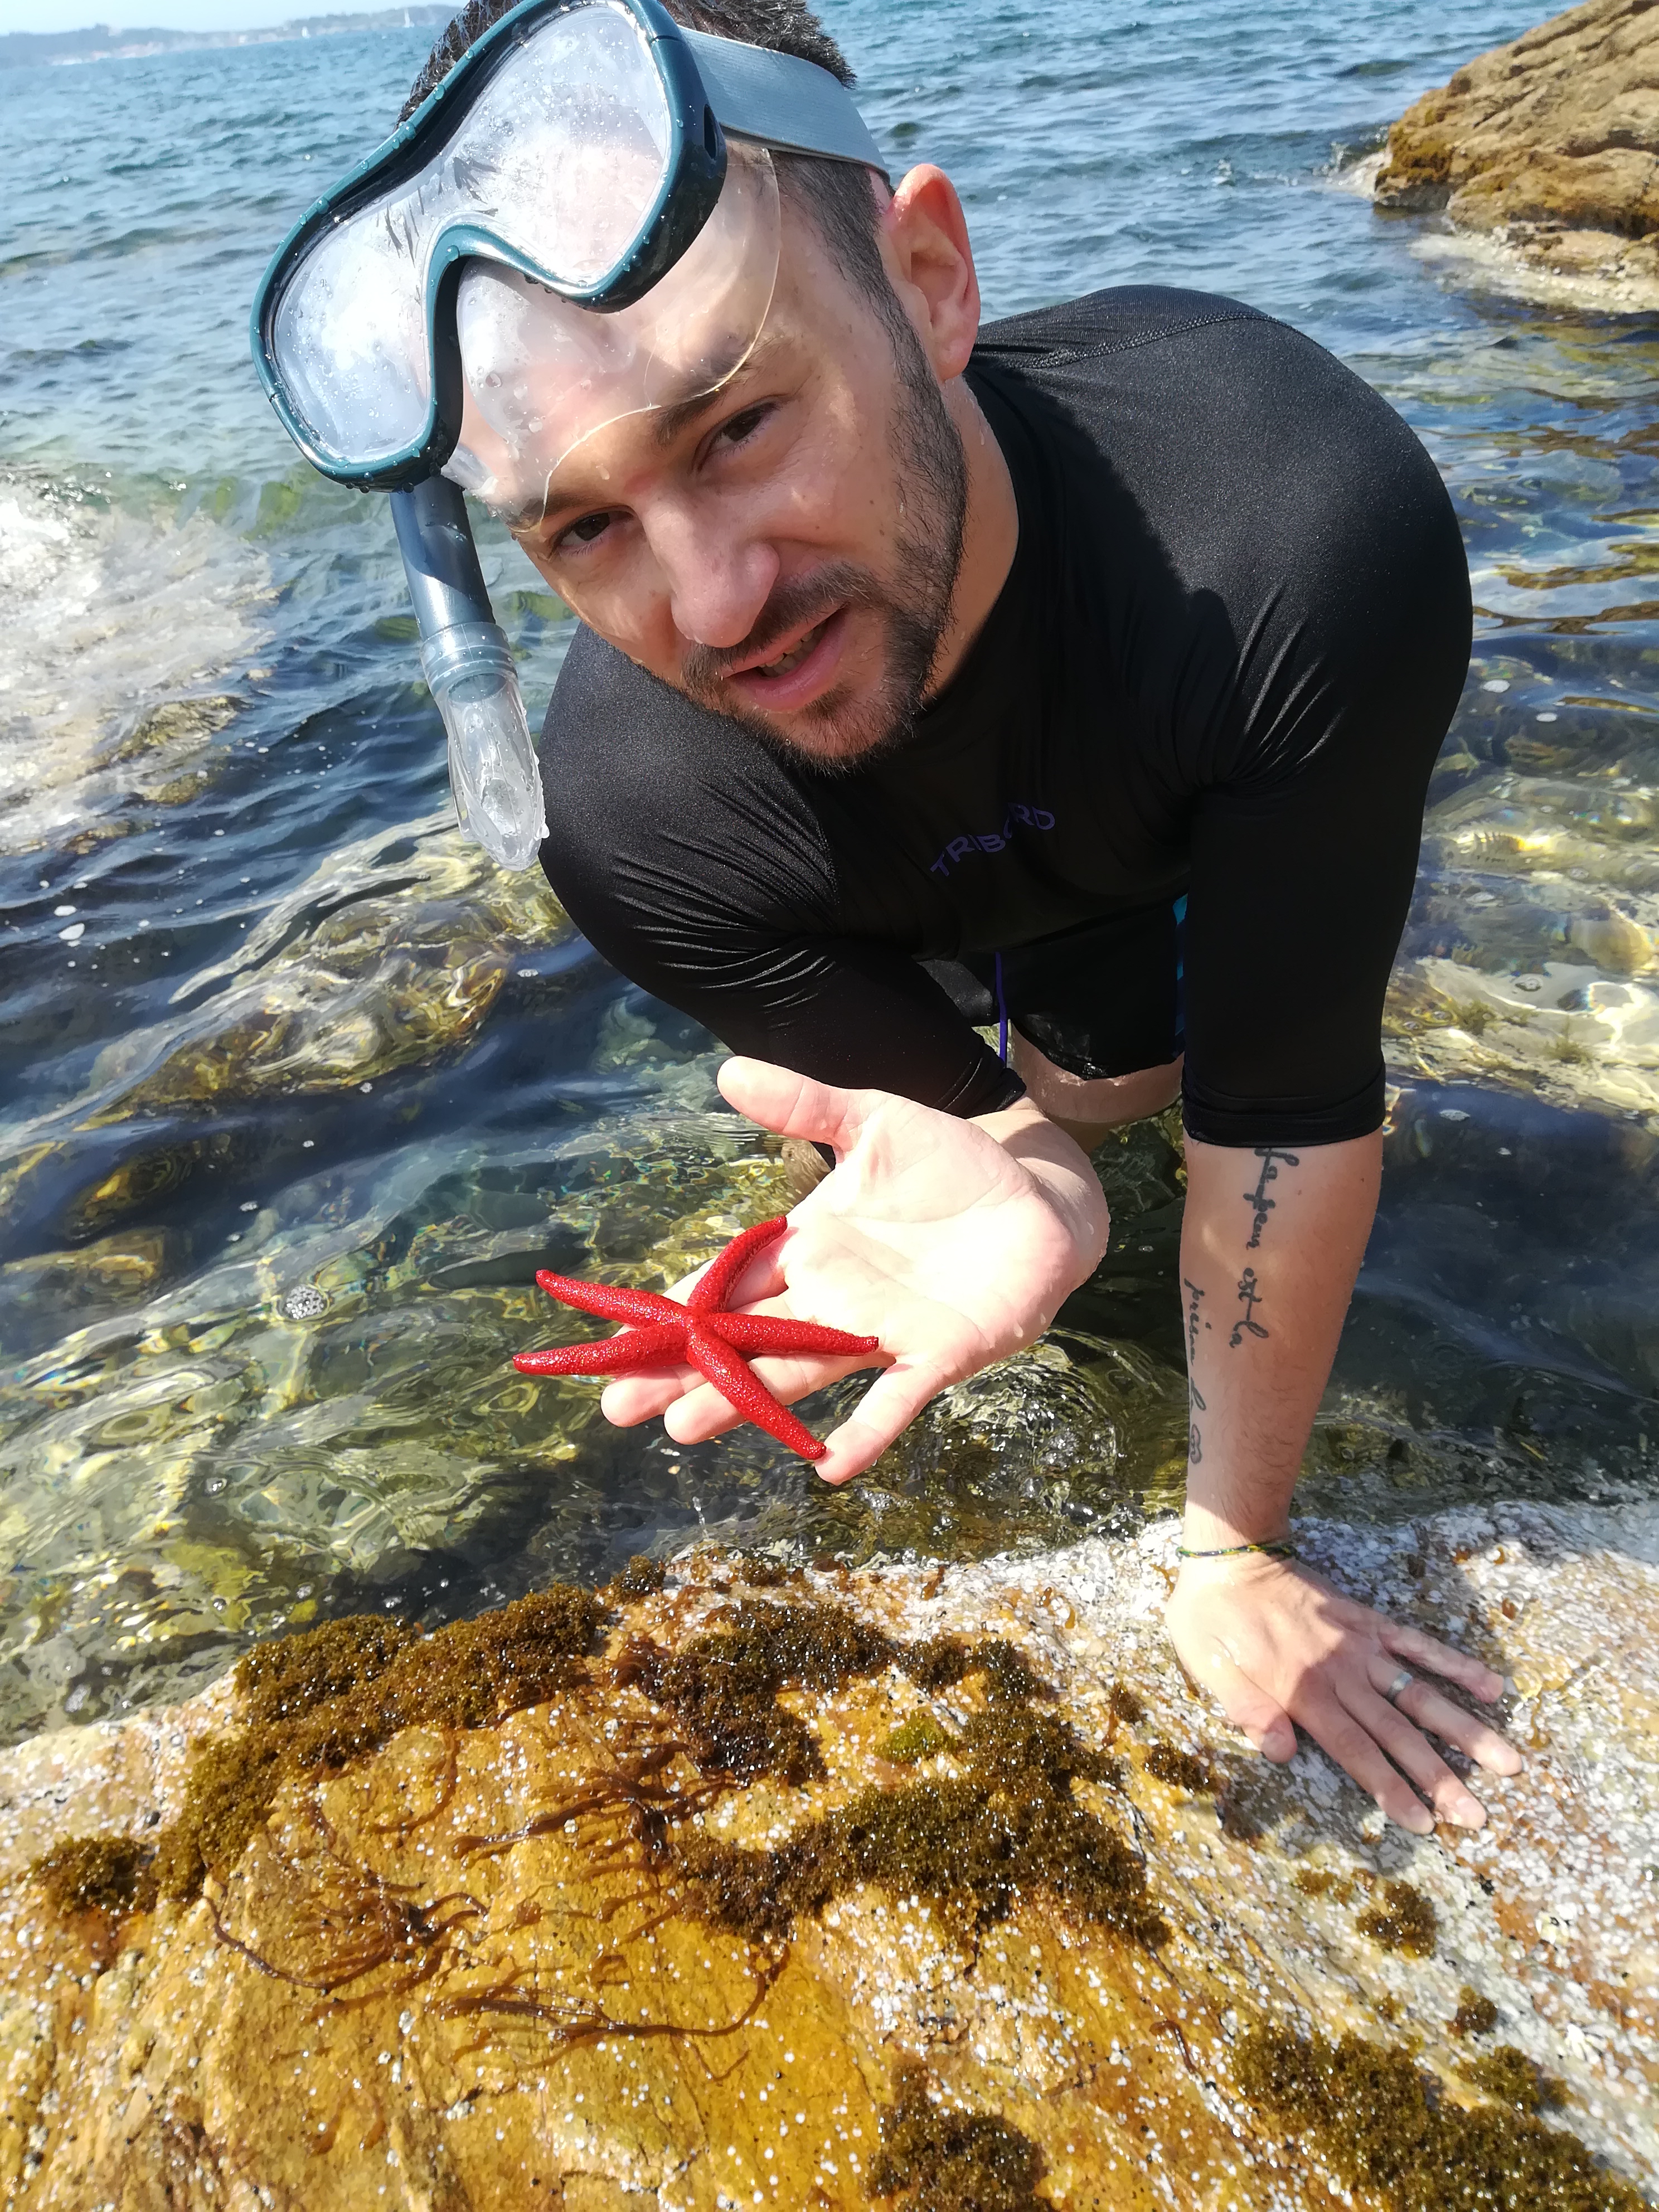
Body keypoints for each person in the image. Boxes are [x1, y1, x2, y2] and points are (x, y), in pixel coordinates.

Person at [363, 0, 1524, 1833]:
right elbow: (958, 1118)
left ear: (928, 279)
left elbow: (1290, 1114)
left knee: (1174, 1067)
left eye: (739, 425)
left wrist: (1231, 1546)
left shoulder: (1291, 536)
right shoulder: (630, 823)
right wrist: (1020, 1163)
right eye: (582, 528)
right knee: (1019, 1129)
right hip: (873, 880)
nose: (714, 605)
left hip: (1177, 757)